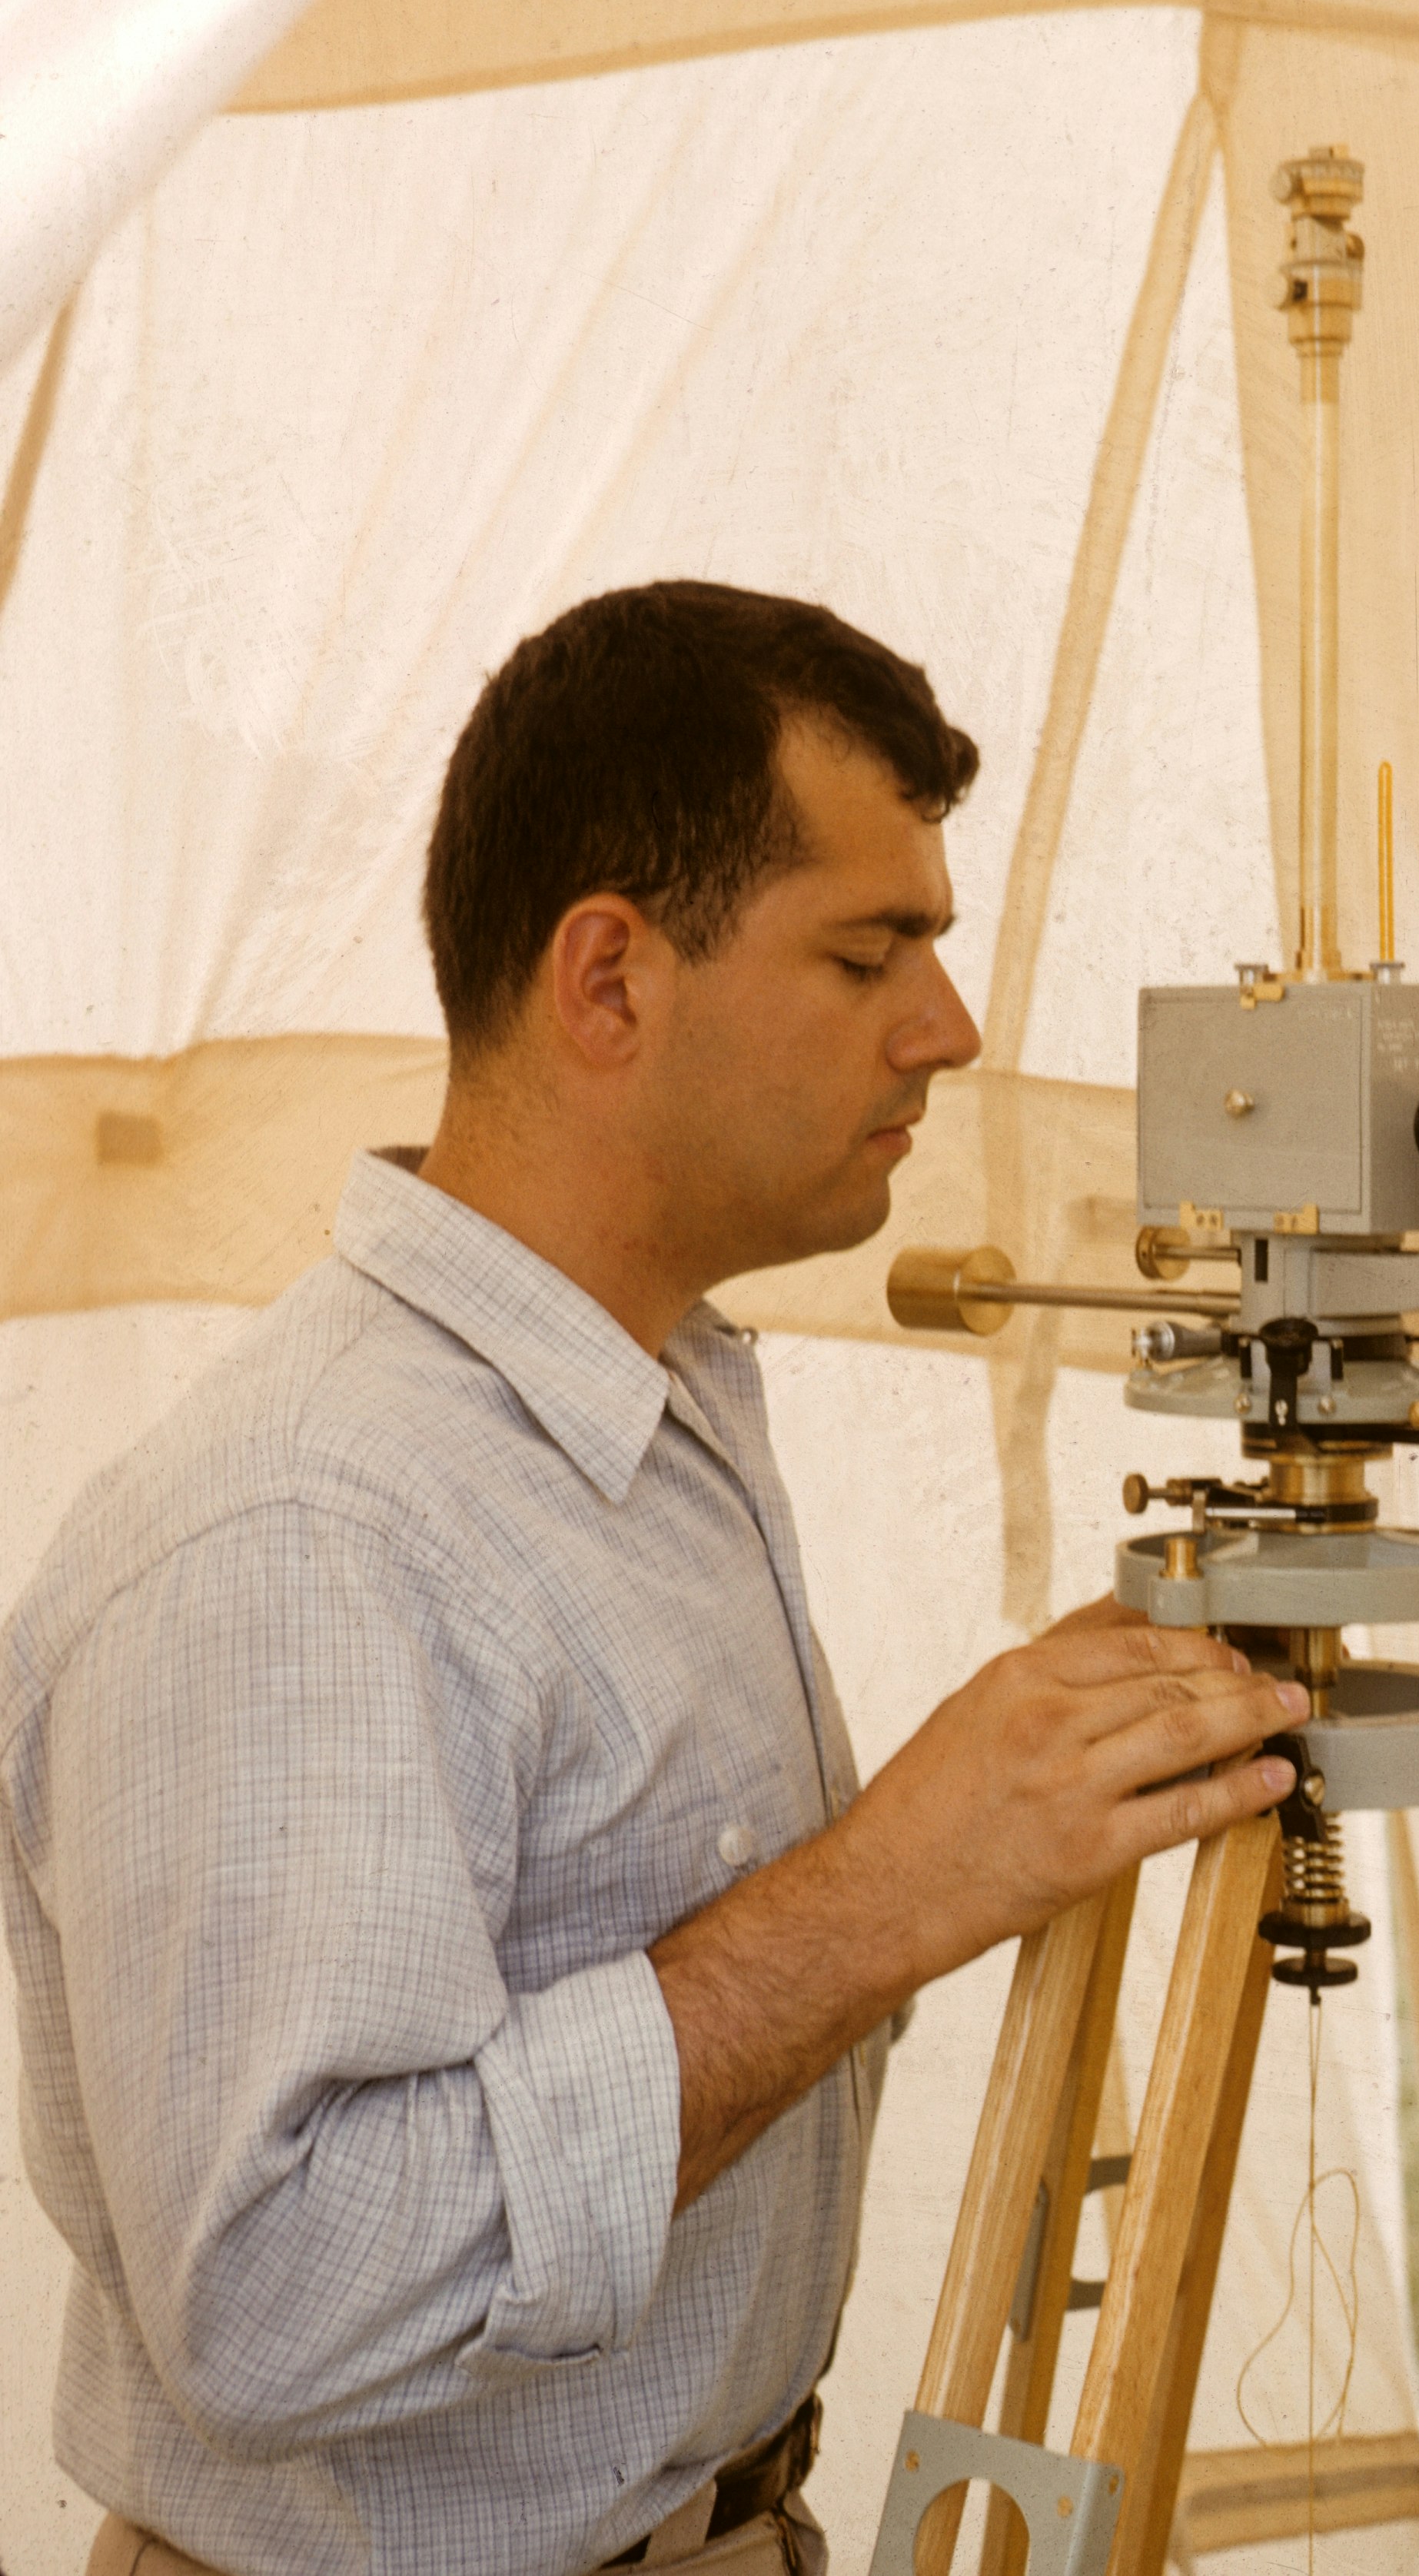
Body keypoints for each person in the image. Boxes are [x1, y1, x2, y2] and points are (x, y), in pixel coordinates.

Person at [0, 581, 1307, 2576]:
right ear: (608, 979)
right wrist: (888, 1890)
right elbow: (276, 2295)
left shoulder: (653, 1402)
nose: (949, 1031)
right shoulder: (304, 1537)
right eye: (873, 953)